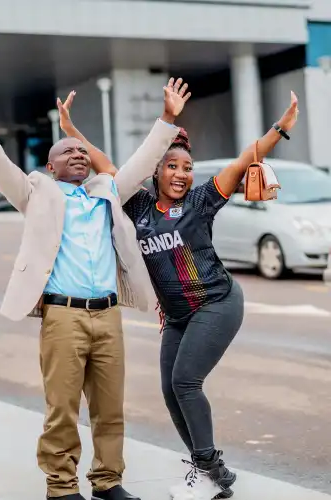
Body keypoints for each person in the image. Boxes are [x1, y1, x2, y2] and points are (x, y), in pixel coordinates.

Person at [0, 78, 191, 500]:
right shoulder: (35, 192)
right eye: (66, 152)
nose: (77, 155)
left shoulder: (107, 190)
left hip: (108, 315)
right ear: (50, 167)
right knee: (62, 410)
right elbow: (0, 166)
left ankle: (108, 482)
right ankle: (60, 486)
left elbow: (143, 159)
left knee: (110, 409)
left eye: (81, 152)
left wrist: (167, 118)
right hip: (63, 316)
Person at [60, 83, 299, 500]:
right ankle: (207, 471)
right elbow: (106, 165)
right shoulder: (137, 206)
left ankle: (209, 469)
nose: (181, 173)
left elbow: (246, 158)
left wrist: (280, 127)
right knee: (171, 391)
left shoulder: (203, 200)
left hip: (217, 303)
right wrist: (71, 130)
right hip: (176, 314)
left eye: (187, 167)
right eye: (172, 166)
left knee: (186, 381)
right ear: (157, 170)